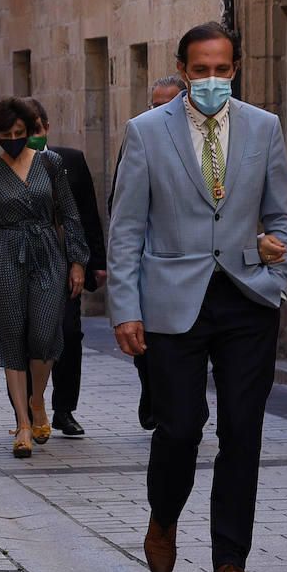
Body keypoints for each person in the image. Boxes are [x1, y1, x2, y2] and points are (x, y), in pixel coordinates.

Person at [106, 22, 287, 572]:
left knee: (243, 430)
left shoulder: (265, 128)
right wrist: (124, 308)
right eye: (201, 69)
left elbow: (283, 217)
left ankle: (229, 560)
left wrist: (276, 276)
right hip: (171, 300)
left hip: (245, 298)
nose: (212, 78)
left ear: (235, 69)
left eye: (222, 68)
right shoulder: (146, 133)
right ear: (183, 70)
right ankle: (164, 517)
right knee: (180, 427)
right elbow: (127, 227)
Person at [0, 97, 89, 458]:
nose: (14, 139)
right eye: (7, 134)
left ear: (30, 131)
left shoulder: (51, 164)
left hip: (48, 254)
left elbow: (70, 213)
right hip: (4, 257)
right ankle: (22, 423)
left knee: (46, 331)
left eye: (20, 133)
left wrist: (77, 260)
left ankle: (38, 401)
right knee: (11, 335)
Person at [26, 99, 106, 437]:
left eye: (34, 129)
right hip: (22, 265)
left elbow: (88, 212)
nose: (28, 137)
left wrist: (94, 264)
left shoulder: (70, 161)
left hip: (64, 265)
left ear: (46, 127)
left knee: (70, 334)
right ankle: (30, 406)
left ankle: (64, 409)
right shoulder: (1, 168)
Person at [117, 76, 186, 431]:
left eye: (166, 106)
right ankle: (152, 395)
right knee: (148, 350)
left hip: (187, 268)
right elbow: (122, 210)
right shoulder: (140, 136)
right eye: (154, 106)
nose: (159, 112)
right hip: (148, 265)